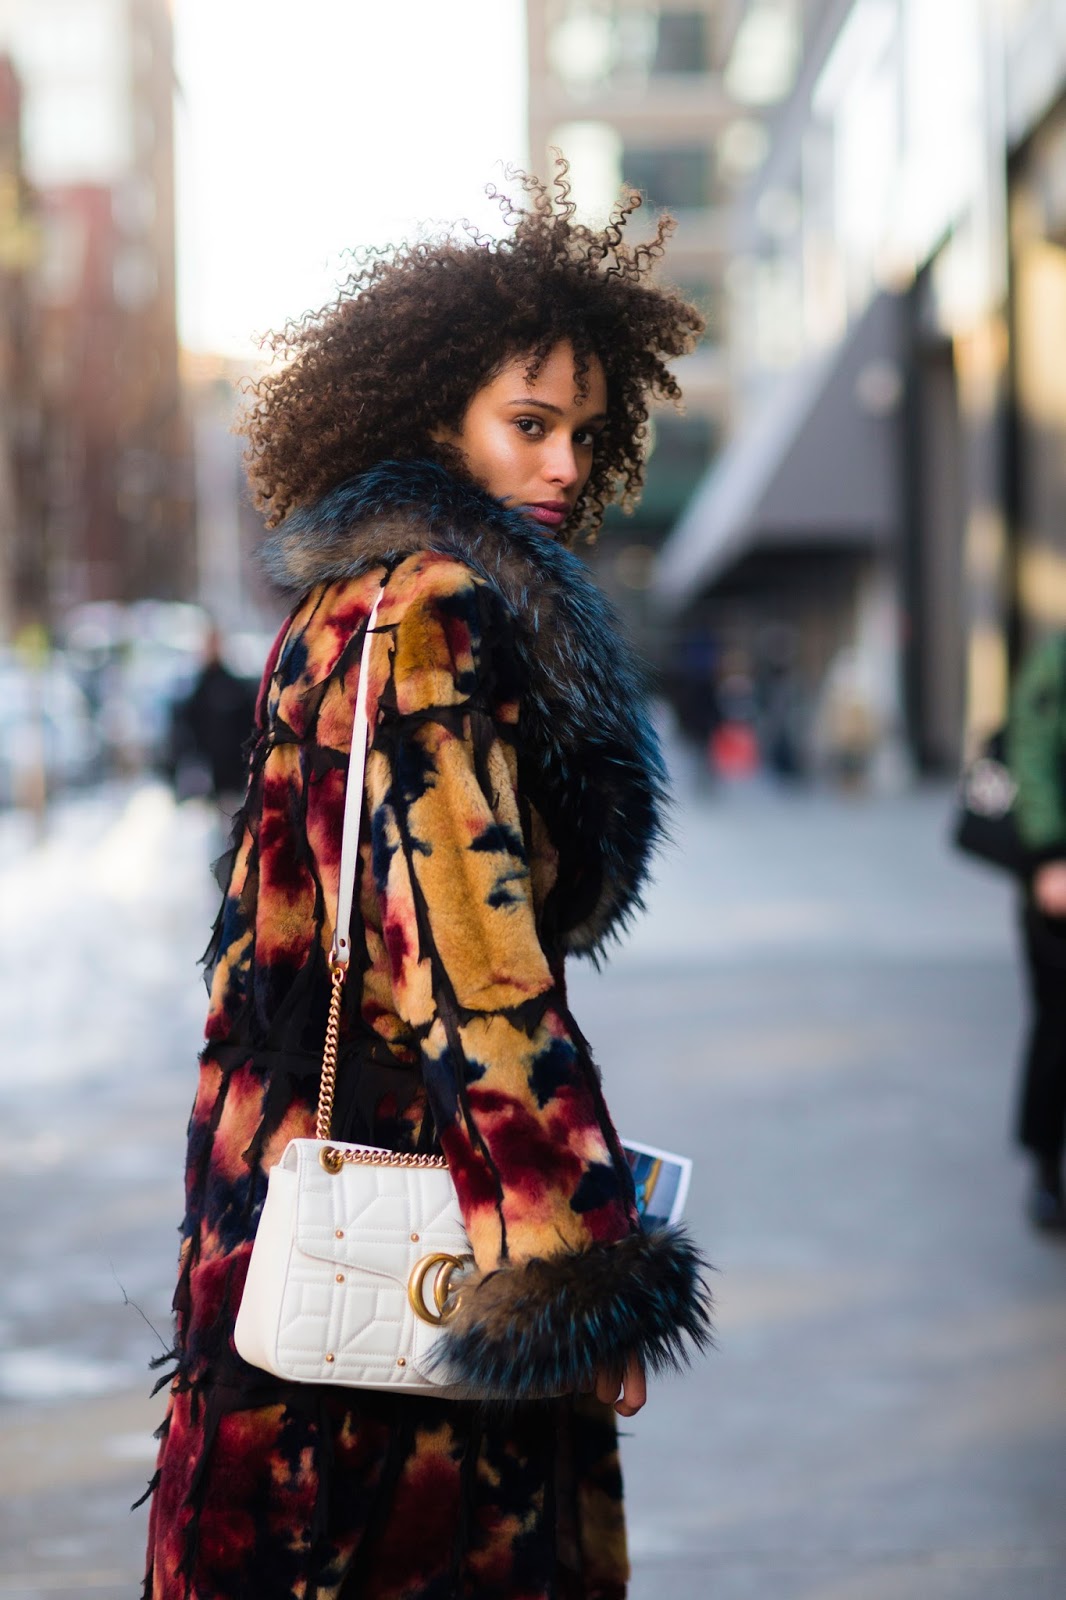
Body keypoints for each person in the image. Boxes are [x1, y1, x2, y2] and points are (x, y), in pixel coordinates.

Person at [141, 165, 712, 1600]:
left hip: (278, 1202)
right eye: (528, 426)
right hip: (417, 1246)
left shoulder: (340, 605)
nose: (566, 465)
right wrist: (572, 1271)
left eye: (584, 431)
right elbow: (474, 975)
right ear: (433, 423)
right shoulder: (439, 618)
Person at [1007, 631, 1066, 1232]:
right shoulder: (1058, 657)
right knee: (1058, 1026)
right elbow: (1033, 749)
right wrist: (1050, 854)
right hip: (1059, 876)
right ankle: (1047, 1168)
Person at [166, 627, 258, 817]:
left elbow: (249, 723)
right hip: (209, 772)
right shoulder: (196, 690)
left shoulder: (234, 686)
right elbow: (186, 729)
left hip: (234, 770)